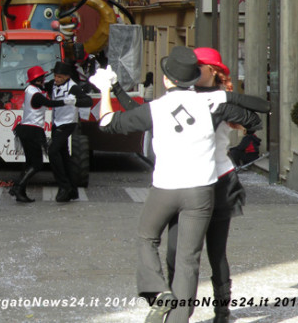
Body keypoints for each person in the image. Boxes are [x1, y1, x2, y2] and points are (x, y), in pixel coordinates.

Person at [92, 46, 263, 323]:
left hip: (197, 183)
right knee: (185, 258)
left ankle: (205, 307)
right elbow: (143, 115)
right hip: (202, 186)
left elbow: (116, 122)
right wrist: (117, 88)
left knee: (201, 250)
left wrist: (106, 91)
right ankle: (178, 315)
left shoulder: (200, 102)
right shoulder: (210, 104)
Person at [164, 46, 262, 323]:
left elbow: (256, 119)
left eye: (198, 66)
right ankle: (177, 307)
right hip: (183, 180)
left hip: (219, 180)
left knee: (216, 252)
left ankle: (222, 311)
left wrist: (229, 103)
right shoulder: (182, 94)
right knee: (175, 251)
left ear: (213, 71)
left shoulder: (221, 99)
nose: (192, 71)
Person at [10, 66, 76, 202]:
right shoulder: (37, 94)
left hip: (25, 129)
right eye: (42, 78)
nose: (44, 80)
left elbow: (45, 91)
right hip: (33, 130)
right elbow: (50, 103)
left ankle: (20, 192)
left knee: (30, 163)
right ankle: (18, 187)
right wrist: (67, 101)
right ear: (38, 80)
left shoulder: (30, 89)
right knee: (37, 164)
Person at [45, 61, 92, 203]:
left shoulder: (73, 87)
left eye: (60, 77)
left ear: (67, 77)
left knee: (52, 151)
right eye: (55, 76)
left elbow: (88, 101)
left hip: (68, 123)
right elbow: (42, 86)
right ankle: (73, 190)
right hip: (56, 123)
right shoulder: (53, 84)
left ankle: (64, 186)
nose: (57, 79)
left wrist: (75, 101)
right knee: (64, 156)